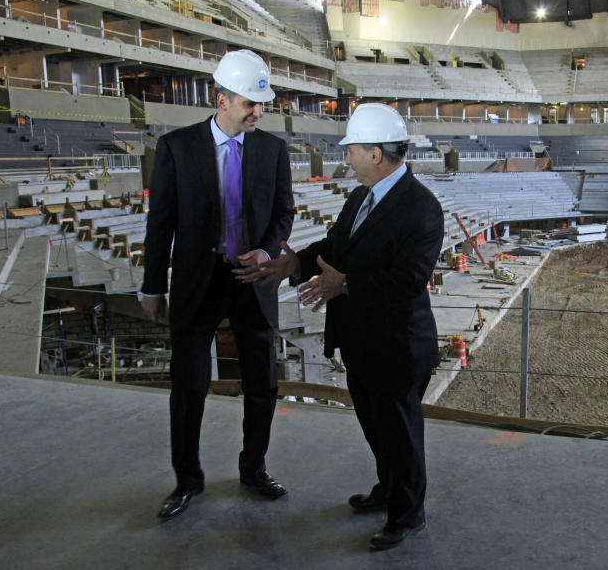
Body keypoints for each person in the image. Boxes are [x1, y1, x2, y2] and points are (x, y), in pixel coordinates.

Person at [236, 103, 444, 550]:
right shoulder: (359, 198)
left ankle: (408, 515)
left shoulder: (422, 207)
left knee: (400, 430)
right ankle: (389, 489)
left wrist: (345, 284)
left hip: (398, 344)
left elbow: (408, 279)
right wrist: (294, 263)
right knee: (374, 422)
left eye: (351, 150)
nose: (345, 158)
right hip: (360, 339)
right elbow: (334, 246)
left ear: (376, 153)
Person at [140, 49, 295, 519]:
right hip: (196, 282)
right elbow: (160, 221)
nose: (258, 111)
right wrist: (152, 286)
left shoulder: (272, 149)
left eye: (262, 103)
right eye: (250, 101)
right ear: (220, 98)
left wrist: (267, 252)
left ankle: (254, 469)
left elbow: (284, 213)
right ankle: (187, 480)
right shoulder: (176, 147)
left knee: (263, 384)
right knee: (188, 388)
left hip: (253, 280)